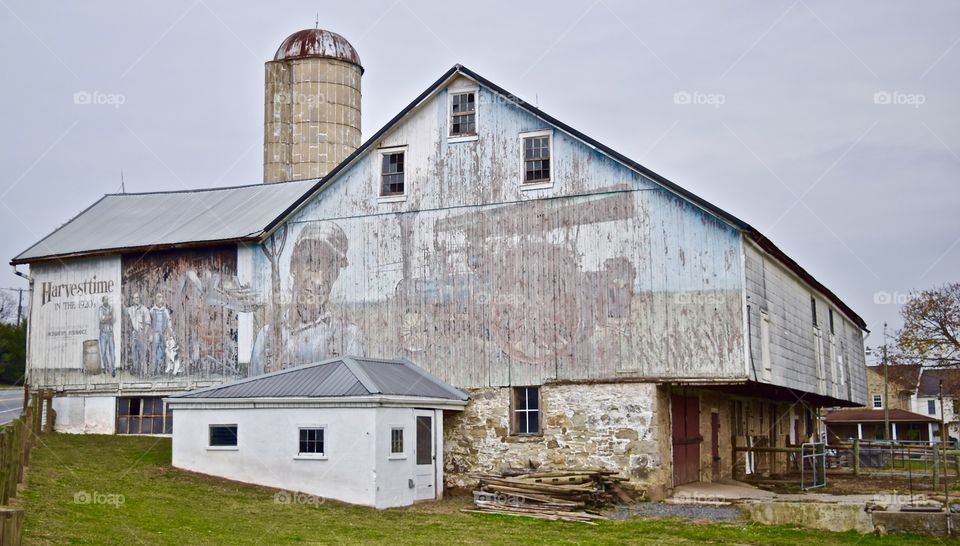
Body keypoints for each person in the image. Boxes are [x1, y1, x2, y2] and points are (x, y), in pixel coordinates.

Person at [251, 222, 365, 375]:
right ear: (293, 265)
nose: (319, 280)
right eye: (311, 262)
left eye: (331, 269)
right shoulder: (265, 338)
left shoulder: (349, 338)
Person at [126, 292, 150, 375]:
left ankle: (145, 372)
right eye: (135, 298)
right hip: (134, 334)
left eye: (138, 297)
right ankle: (136, 370)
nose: (136, 299)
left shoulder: (144, 309)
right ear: (132, 299)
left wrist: (144, 334)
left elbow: (148, 323)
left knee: (143, 353)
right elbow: (123, 310)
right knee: (134, 353)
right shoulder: (130, 309)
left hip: (141, 333)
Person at [149, 292, 172, 375]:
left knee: (162, 351)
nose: (159, 299)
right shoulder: (152, 310)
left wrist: (169, 332)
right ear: (155, 299)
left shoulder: (165, 311)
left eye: (161, 297)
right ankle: (153, 369)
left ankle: (160, 368)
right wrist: (150, 335)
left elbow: (168, 322)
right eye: (158, 297)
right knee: (154, 351)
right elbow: (149, 323)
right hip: (155, 333)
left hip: (163, 333)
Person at [97, 295, 116, 377]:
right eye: (105, 300)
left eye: (107, 300)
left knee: (112, 352)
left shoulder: (111, 308)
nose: (106, 301)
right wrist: (109, 317)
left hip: (110, 333)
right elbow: (101, 319)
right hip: (103, 333)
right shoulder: (100, 309)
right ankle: (106, 367)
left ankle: (113, 369)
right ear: (102, 301)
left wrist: (106, 318)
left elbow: (114, 319)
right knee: (103, 352)